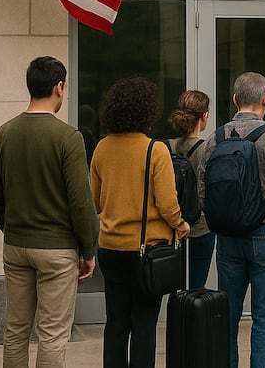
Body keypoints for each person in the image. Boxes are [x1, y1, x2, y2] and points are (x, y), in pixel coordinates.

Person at [0, 56, 99, 367]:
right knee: (51, 335)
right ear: (59, 87)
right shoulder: (68, 137)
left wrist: (11, 228)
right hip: (57, 248)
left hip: (16, 244)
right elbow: (80, 201)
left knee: (15, 331)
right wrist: (87, 248)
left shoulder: (5, 133)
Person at [196, 71, 265, 368]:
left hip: (228, 238)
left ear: (234, 100)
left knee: (227, 318)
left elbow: (203, 194)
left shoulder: (215, 139)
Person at [89, 77, 190, 368]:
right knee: (144, 325)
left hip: (110, 247)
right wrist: (180, 224)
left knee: (116, 323)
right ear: (147, 111)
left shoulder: (101, 149)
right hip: (148, 250)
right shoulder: (155, 150)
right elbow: (168, 204)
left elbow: (95, 202)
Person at [168, 89, 214, 289]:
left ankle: (176, 319)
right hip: (200, 227)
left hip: (170, 226)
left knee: (173, 286)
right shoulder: (208, 149)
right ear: (204, 116)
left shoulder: (164, 147)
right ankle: (193, 320)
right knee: (196, 286)